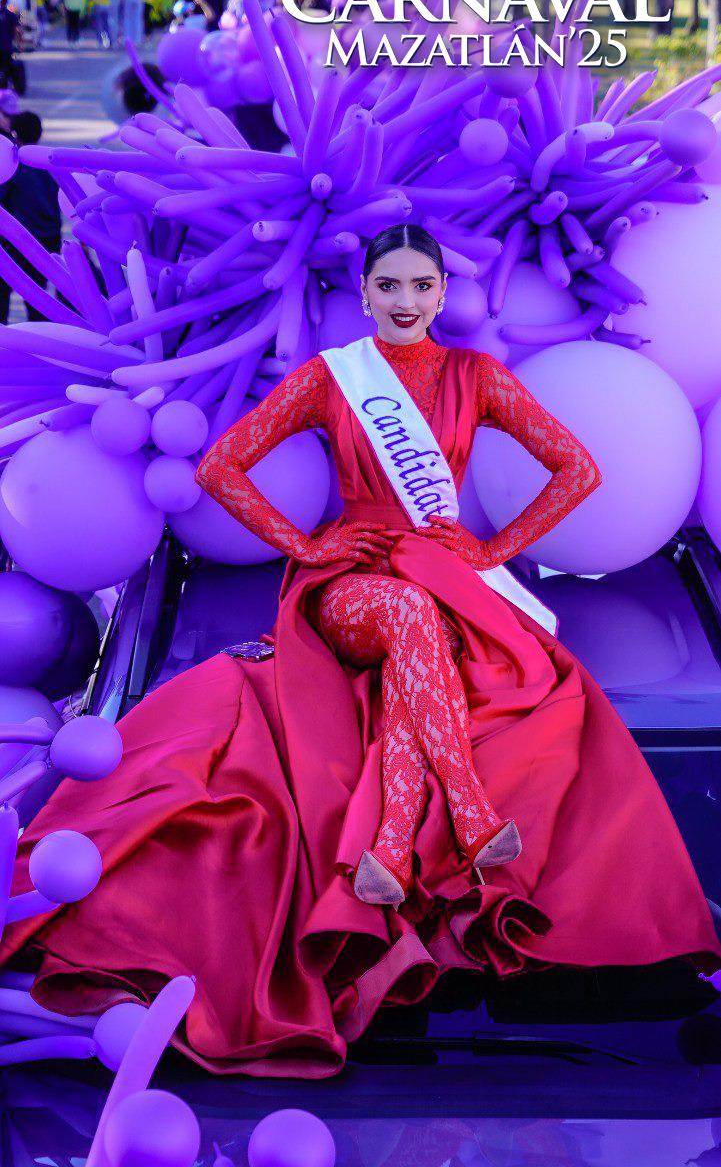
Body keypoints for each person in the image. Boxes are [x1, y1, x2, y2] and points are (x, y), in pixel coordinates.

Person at [2, 225, 719, 1075]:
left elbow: (576, 469)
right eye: (389, 286)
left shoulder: (477, 376)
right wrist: (306, 545)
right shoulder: (331, 378)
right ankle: (470, 814)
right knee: (409, 618)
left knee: (423, 654)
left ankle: (387, 850)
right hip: (351, 583)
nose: (405, 301)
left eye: (421, 286)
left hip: (444, 576)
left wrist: (491, 551)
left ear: (442, 294)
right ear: (367, 294)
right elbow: (223, 467)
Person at [0, 111, 61, 324]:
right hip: (45, 242)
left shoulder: (12, 165)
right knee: (37, 299)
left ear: (15, 134)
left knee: (2, 296)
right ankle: (39, 339)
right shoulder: (47, 165)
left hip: (16, 242)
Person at [0, 0, 19, 86]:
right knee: (8, 65)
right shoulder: (11, 15)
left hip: (6, 46)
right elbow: (17, 31)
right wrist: (19, 44)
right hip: (7, 46)